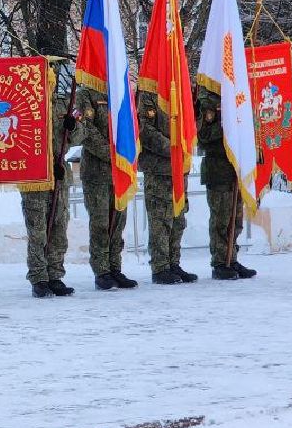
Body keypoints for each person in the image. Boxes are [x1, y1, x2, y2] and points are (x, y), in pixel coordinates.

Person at [20, 58, 77, 297]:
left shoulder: (62, 104)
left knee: (58, 227)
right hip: (34, 175)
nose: (49, 80)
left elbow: (76, 137)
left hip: (59, 173)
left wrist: (72, 127)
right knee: (38, 229)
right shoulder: (24, 103)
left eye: (51, 75)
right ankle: (39, 278)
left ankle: (55, 274)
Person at [76, 82, 137, 289]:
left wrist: (123, 155)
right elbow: (86, 130)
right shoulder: (85, 94)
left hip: (120, 171)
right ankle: (102, 271)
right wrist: (113, 154)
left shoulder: (121, 89)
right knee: (101, 223)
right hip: (96, 172)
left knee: (118, 221)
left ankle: (115, 267)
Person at [196, 85, 257, 281]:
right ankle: (220, 262)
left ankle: (232, 257)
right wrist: (227, 124)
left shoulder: (236, 89)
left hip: (235, 168)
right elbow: (202, 136)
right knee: (221, 219)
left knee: (236, 219)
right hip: (218, 168)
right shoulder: (207, 98)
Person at [139, 88, 197, 284]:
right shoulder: (147, 95)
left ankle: (173, 263)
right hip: (159, 170)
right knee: (160, 221)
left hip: (179, 170)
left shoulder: (180, 92)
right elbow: (145, 131)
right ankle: (160, 267)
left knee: (178, 220)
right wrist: (173, 148)